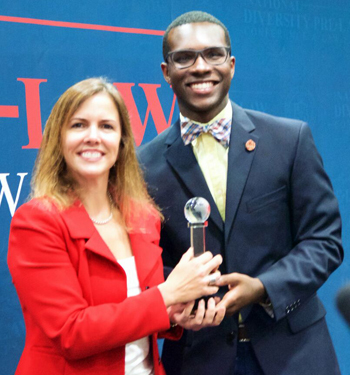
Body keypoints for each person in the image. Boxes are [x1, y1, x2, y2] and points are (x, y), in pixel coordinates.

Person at [138, 11, 343, 375]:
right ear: (166, 72)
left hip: (295, 353)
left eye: (213, 55)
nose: (201, 67)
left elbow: (324, 241)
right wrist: (180, 293)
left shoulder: (289, 139)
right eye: (184, 57)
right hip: (198, 356)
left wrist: (263, 287)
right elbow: (144, 263)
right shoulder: (142, 166)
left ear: (231, 65)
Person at [7, 77, 225, 375]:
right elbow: (71, 333)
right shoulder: (37, 222)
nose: (93, 137)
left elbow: (137, 316)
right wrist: (167, 295)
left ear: (122, 142)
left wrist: (176, 314)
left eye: (106, 126)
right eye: (78, 125)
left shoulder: (143, 217)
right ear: (58, 139)